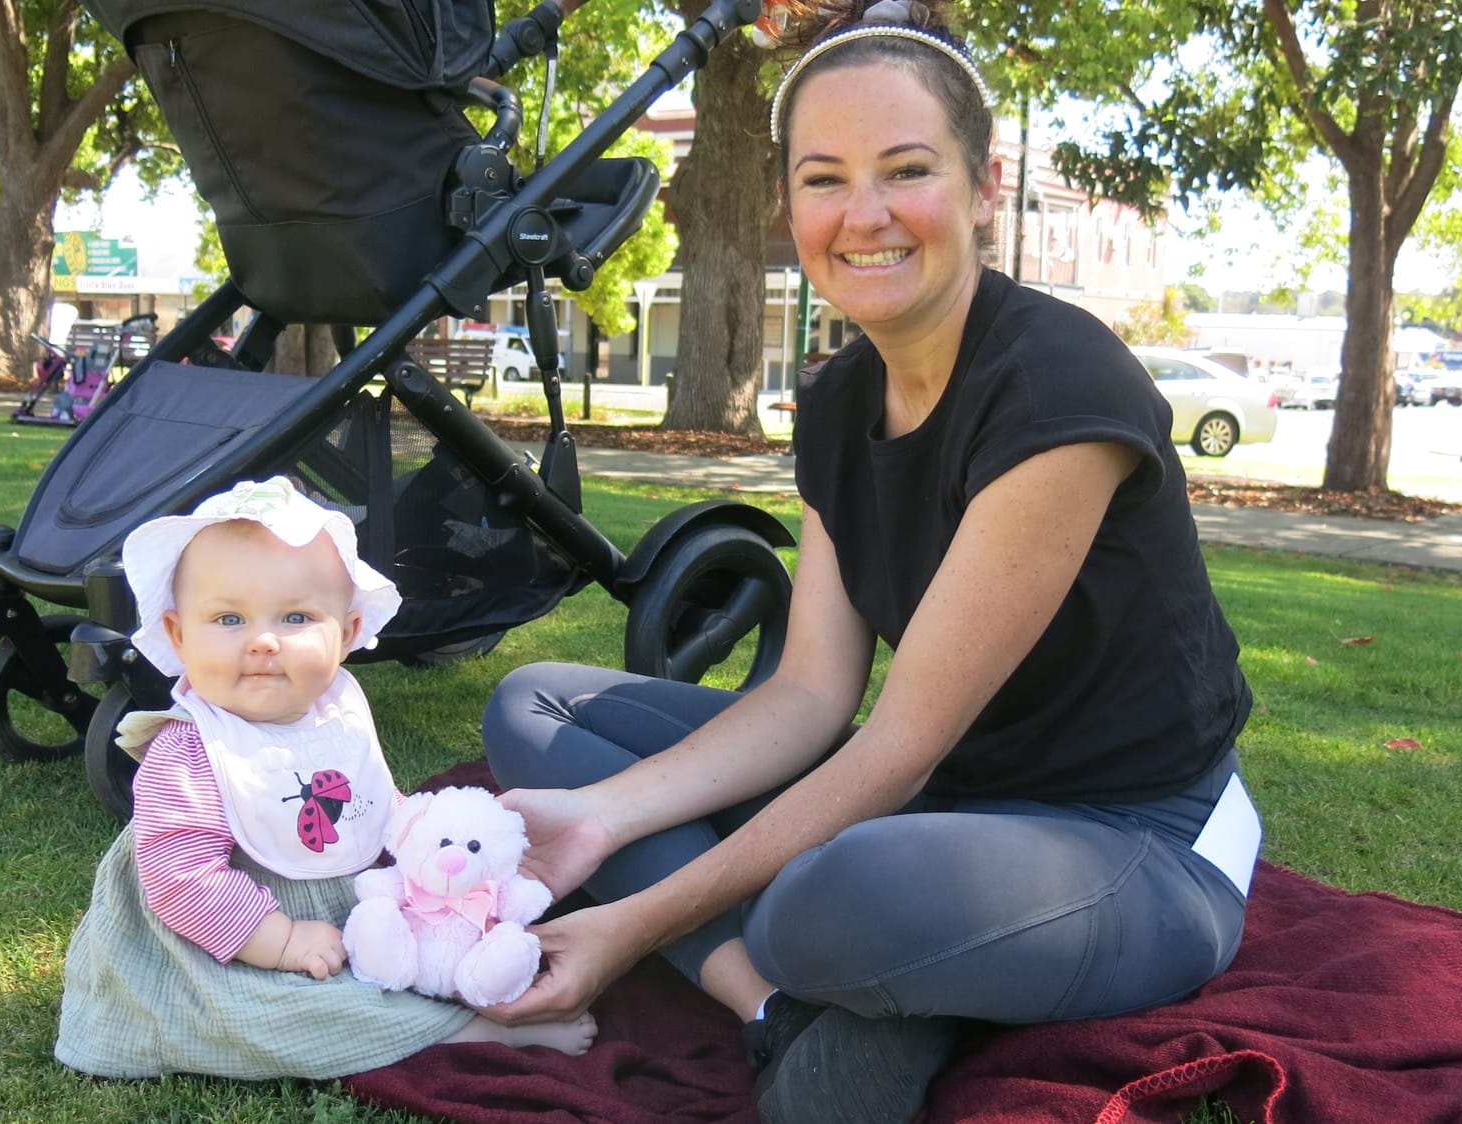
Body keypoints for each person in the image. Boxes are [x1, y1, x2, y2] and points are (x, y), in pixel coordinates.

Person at [475, 3, 1262, 1121]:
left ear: (983, 185)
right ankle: (773, 1008)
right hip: (941, 804)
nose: (864, 215)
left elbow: (895, 747)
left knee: (825, 898)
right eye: (824, 179)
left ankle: (866, 964)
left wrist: (628, 924)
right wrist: (602, 818)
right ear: (787, 200)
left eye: (907, 170)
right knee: (537, 712)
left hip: (1134, 836)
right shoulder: (839, 399)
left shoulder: (1058, 385)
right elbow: (808, 694)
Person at [55, 477, 595, 1079]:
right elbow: (182, 880)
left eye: (295, 617)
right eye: (229, 618)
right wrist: (281, 941)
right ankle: (469, 1034)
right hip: (226, 938)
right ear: (179, 635)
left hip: (343, 906)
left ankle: (446, 990)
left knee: (430, 937)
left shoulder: (336, 713)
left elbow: (371, 801)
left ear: (346, 633)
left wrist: (423, 838)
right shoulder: (191, 751)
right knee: (269, 1014)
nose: (263, 640)